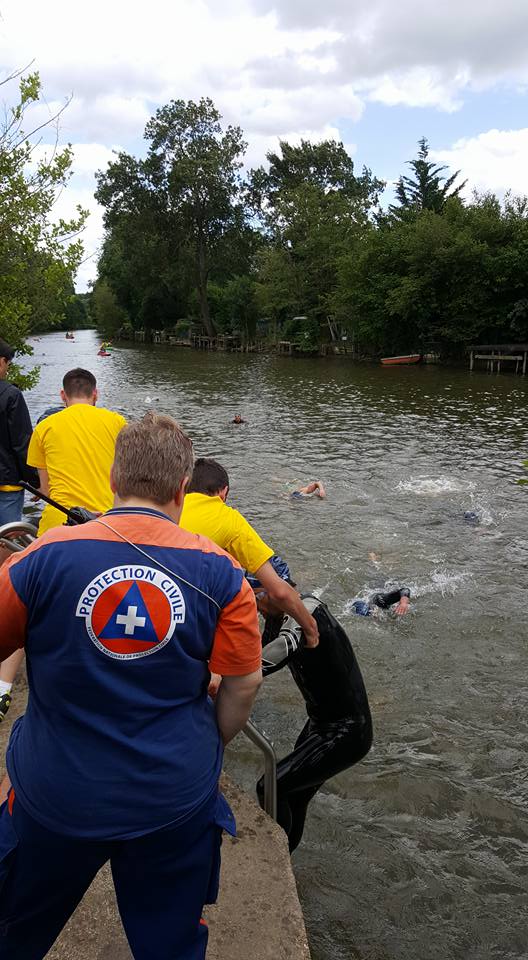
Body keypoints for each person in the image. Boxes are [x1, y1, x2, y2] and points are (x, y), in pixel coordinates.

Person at [0, 412, 262, 960]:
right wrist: (206, 742)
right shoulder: (221, 574)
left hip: (54, 795)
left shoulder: (40, 558)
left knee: (12, 931)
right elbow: (242, 685)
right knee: (169, 946)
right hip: (172, 797)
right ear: (183, 488)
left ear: (115, 478)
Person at [247, 559, 372, 853]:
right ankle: (286, 859)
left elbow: (284, 647)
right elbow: (258, 656)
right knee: (295, 795)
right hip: (320, 725)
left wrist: (230, 677)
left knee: (271, 787)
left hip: (348, 731)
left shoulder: (309, 609)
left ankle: (275, 858)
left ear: (280, 590)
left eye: (258, 596)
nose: (257, 606)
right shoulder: (277, 619)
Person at [179, 457, 318, 648]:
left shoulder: (167, 507)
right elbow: (279, 591)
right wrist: (311, 630)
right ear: (224, 492)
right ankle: (267, 642)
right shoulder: (229, 519)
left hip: (161, 601)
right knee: (280, 588)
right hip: (196, 612)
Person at [27, 367, 126, 536]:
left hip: (59, 523)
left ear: (63, 395)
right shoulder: (118, 422)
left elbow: (46, 491)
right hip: (107, 521)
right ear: (95, 394)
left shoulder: (44, 427)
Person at [0, 339, 39, 526]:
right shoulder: (11, 395)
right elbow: (22, 444)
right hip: (6, 483)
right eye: (8, 364)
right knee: (6, 537)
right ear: (2, 361)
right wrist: (37, 483)